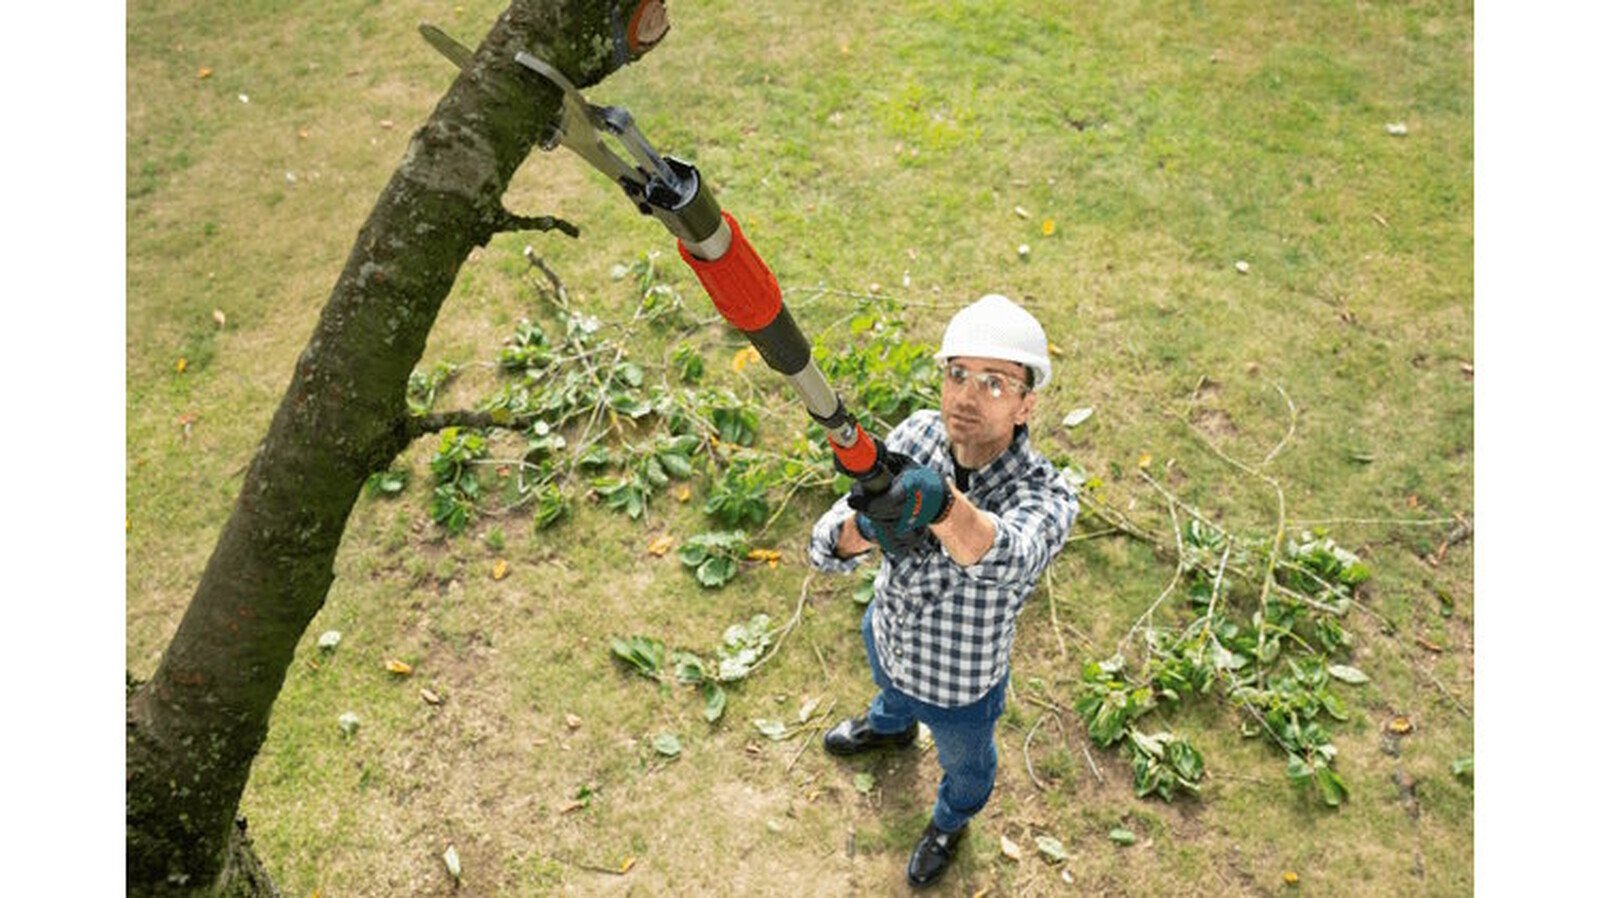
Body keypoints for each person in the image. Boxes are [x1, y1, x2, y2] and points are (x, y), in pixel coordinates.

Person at [808, 293, 1078, 888]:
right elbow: (824, 544)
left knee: (968, 767)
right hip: (889, 635)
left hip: (962, 689)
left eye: (994, 383)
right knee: (889, 687)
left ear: (1027, 404)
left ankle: (950, 822)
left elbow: (1011, 555)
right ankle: (891, 726)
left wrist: (940, 505)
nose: (966, 396)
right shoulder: (916, 434)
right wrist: (868, 528)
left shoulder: (1049, 495)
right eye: (957, 374)